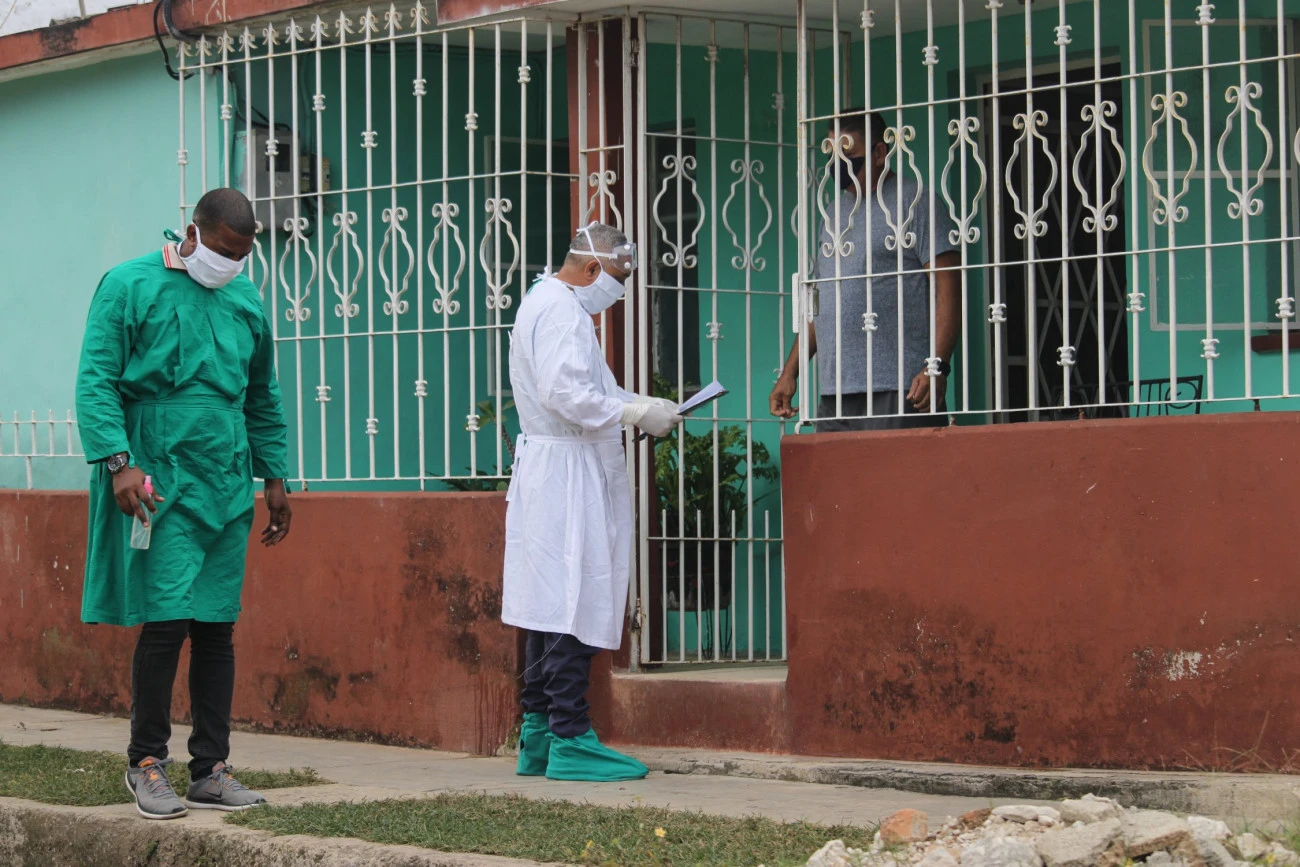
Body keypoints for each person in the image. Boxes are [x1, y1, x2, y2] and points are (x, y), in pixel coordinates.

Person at [75, 188, 292, 820]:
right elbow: (96, 379)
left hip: (225, 476)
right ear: (193, 234)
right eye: (224, 251)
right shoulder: (128, 285)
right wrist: (119, 463)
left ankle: (211, 769)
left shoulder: (245, 298)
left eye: (244, 256)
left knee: (217, 624)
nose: (230, 265)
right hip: (157, 474)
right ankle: (146, 763)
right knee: (166, 618)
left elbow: (261, 393)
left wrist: (274, 474)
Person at [501, 222, 681, 782]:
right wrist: (632, 414)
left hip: (554, 465)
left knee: (545, 600)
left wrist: (647, 404)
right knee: (569, 598)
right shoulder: (559, 310)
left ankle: (537, 731)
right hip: (566, 470)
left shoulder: (549, 302)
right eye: (619, 278)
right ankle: (570, 735)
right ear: (592, 269)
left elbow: (596, 390)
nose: (619, 291)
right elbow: (566, 395)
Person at [770, 110, 961, 431]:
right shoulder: (831, 213)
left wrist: (936, 367)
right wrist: (790, 372)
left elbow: (948, 289)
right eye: (832, 155)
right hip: (834, 391)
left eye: (849, 155)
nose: (839, 167)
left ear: (878, 152)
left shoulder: (916, 201)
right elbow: (824, 301)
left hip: (900, 386)